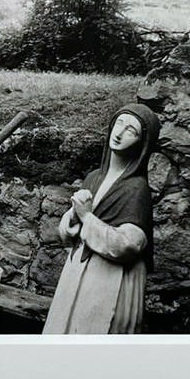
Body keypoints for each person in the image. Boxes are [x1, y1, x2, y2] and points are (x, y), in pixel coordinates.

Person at [42, 103, 160, 335]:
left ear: (142, 144)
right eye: (119, 124)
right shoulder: (94, 177)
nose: (119, 133)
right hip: (77, 273)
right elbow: (67, 236)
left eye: (131, 131)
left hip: (109, 281)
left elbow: (128, 245)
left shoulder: (136, 189)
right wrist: (74, 217)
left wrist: (87, 216)